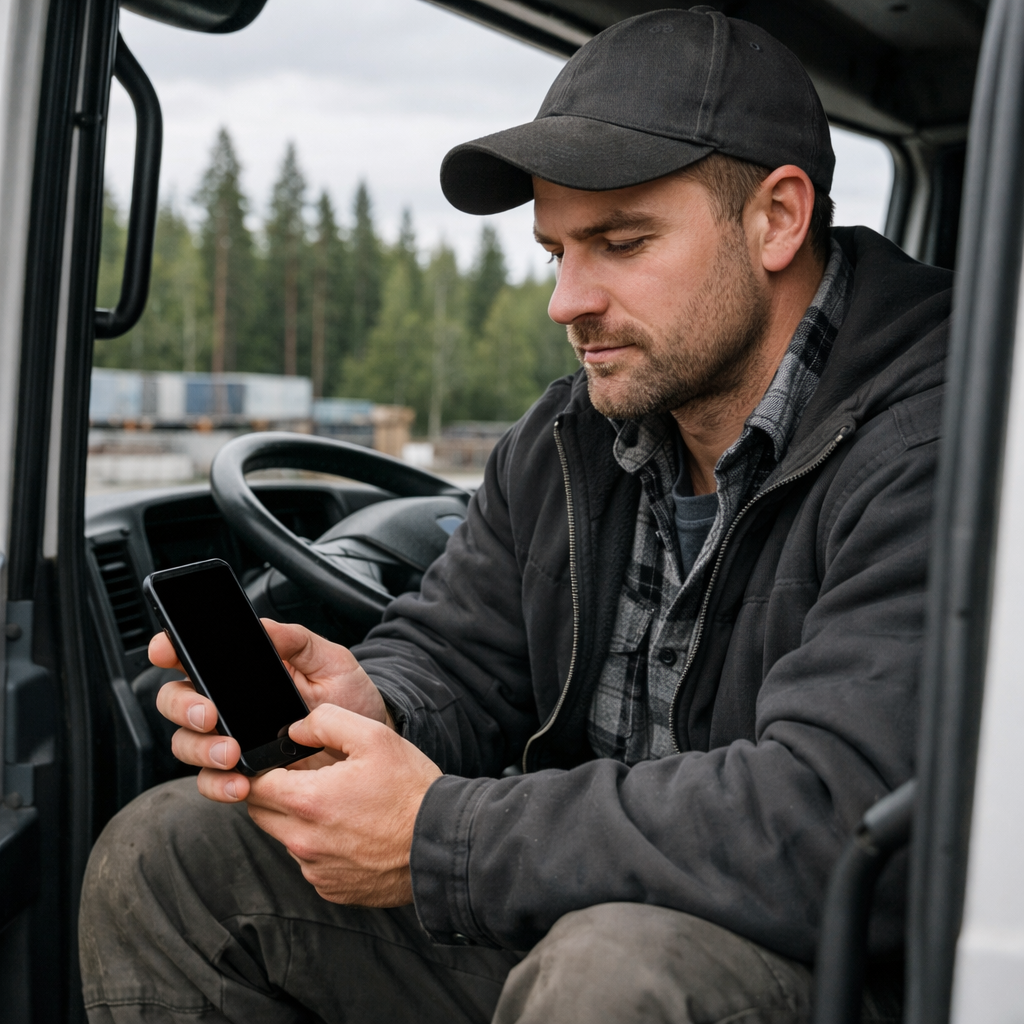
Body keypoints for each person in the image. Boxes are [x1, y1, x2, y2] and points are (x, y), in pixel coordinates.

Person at [79, 7, 950, 1023]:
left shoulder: (947, 439)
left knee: (610, 969)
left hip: (839, 968)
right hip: (568, 915)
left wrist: (440, 835)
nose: (566, 301)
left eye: (619, 243)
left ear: (775, 219)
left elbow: (833, 817)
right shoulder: (577, 434)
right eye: (555, 253)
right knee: (172, 853)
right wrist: (377, 703)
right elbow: (460, 651)